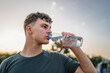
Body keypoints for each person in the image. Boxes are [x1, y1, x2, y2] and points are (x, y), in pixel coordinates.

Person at [0, 12, 97, 73]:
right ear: (29, 29)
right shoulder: (7, 64)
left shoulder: (59, 59)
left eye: (50, 27)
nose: (50, 31)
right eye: (44, 27)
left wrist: (74, 47)